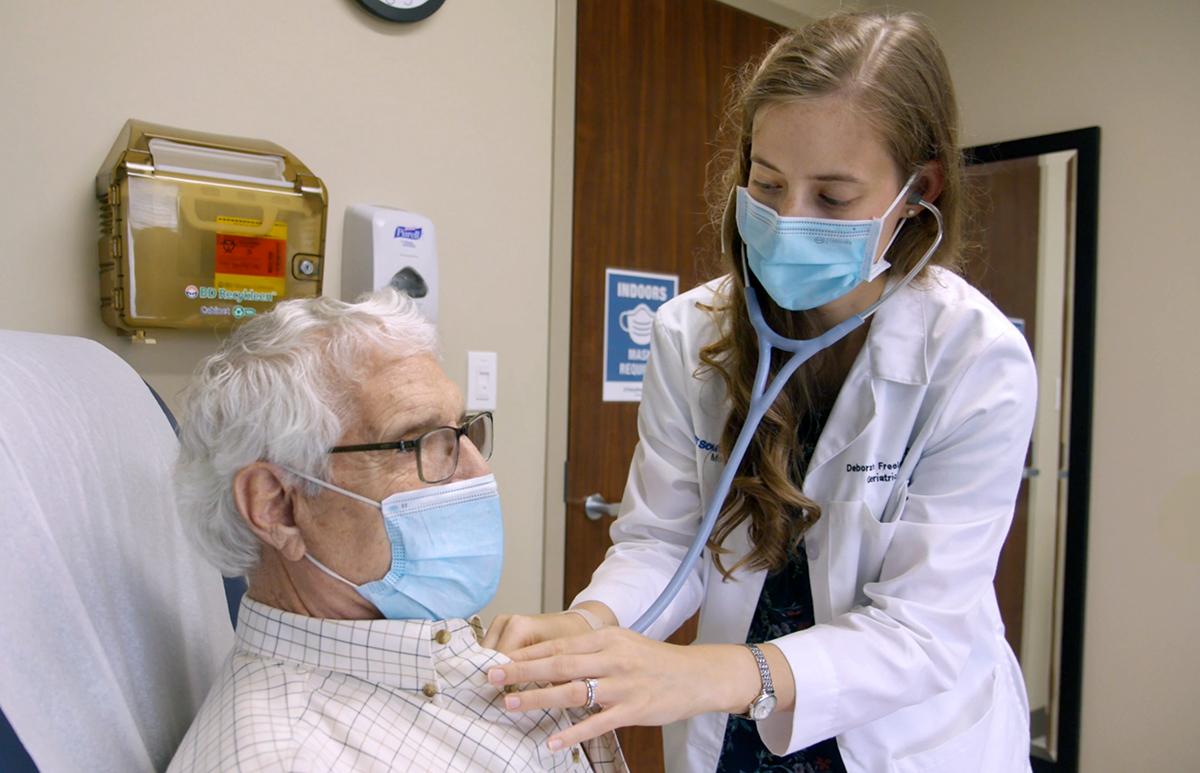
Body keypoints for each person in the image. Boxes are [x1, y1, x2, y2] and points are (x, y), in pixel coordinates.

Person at [483, 11, 1037, 773]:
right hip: (736, 731)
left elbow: (922, 630)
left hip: (906, 737)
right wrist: (589, 623)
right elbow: (666, 541)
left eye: (834, 198)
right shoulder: (692, 333)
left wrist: (704, 672)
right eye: (768, 183)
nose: (786, 220)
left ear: (919, 191)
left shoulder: (975, 359)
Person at [167, 289, 626, 773]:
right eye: (418, 442)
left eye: (460, 430)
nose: (476, 473)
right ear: (278, 507)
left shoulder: (414, 648)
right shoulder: (290, 757)